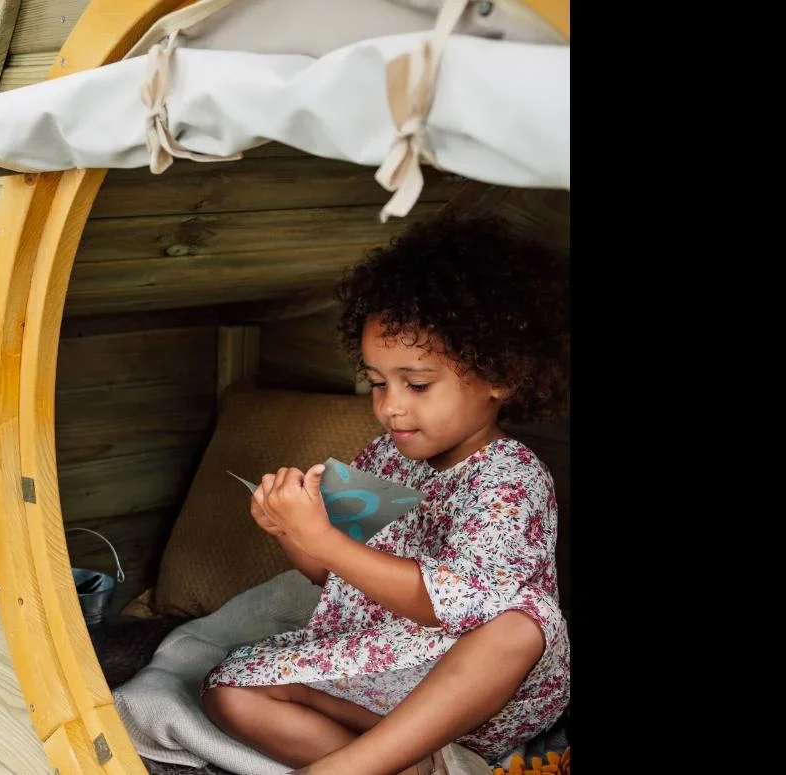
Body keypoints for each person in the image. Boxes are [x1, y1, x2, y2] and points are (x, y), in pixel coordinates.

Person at [200, 215, 570, 775]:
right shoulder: (384, 455)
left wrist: (320, 534)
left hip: (479, 691)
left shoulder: (511, 477)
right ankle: (415, 764)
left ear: (501, 376)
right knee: (228, 689)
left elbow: (449, 607)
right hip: (389, 660)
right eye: (378, 382)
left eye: (416, 384)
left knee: (515, 628)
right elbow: (333, 575)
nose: (391, 405)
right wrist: (293, 533)